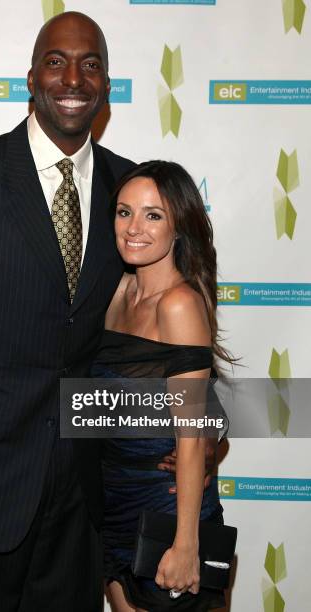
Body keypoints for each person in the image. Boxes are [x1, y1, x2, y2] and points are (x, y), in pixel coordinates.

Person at [0, 11, 217, 611]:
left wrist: (204, 429)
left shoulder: (131, 193)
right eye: (57, 61)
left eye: (91, 64)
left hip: (82, 501)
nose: (74, 77)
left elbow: (160, 335)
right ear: (32, 77)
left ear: (107, 85)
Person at [91, 161, 232, 611]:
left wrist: (186, 543)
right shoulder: (119, 292)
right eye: (124, 212)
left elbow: (190, 438)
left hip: (166, 514)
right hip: (113, 508)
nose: (134, 228)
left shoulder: (179, 304)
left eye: (153, 215)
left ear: (179, 227)